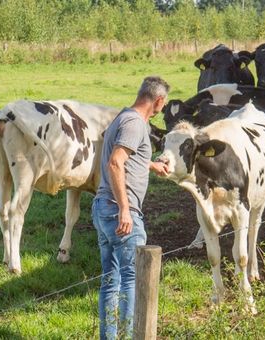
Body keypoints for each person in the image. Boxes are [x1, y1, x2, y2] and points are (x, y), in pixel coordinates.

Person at [93, 76, 170, 339]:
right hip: (120, 211)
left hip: (102, 207)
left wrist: (151, 164)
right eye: (163, 103)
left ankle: (110, 336)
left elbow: (123, 152)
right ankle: (128, 336)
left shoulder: (122, 118)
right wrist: (125, 209)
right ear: (158, 101)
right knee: (131, 280)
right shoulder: (136, 124)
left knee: (110, 280)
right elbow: (116, 162)